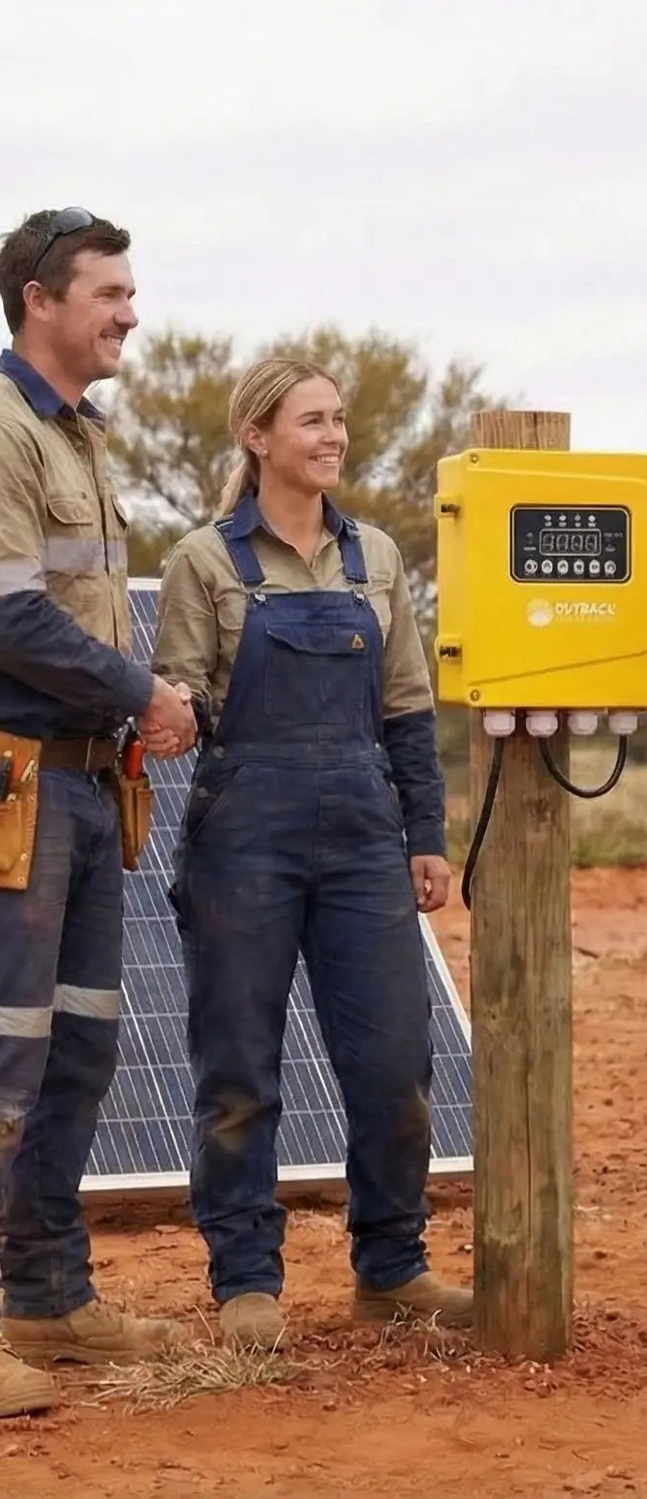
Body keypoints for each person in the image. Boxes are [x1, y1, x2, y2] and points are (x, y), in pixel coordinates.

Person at [152, 356, 466, 1350]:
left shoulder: (375, 556)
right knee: (239, 1062)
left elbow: (409, 705)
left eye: (339, 421)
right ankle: (246, 1277)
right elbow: (182, 693)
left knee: (395, 1061)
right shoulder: (206, 560)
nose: (333, 436)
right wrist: (171, 711)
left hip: (367, 830)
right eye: (312, 421)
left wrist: (426, 835)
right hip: (245, 829)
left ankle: (393, 1267)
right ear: (259, 436)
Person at [0, 207, 198, 1415]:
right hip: (17, 779)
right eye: (110, 291)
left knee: (79, 1044)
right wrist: (149, 690)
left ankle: (47, 1294)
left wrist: (133, 712)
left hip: (82, 779)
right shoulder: (7, 430)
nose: (131, 311)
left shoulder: (81, 434)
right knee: (6, 1054)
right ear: (39, 298)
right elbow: (13, 617)